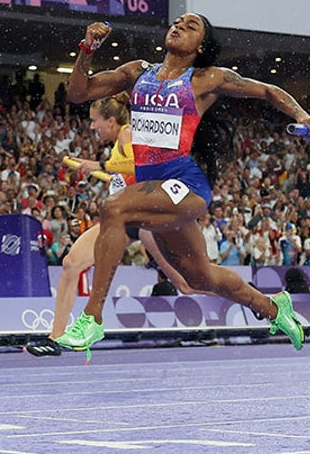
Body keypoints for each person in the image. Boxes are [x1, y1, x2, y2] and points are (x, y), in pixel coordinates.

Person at [52, 14, 310, 358]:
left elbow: (267, 90)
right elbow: (78, 93)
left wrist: (302, 116)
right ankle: (274, 308)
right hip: (154, 190)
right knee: (199, 277)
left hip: (185, 184)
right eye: (177, 22)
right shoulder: (137, 73)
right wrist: (87, 49)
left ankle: (92, 318)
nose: (178, 27)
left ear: (202, 46)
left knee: (113, 208)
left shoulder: (206, 79)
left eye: (190, 27)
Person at [24, 92, 195, 357]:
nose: (92, 126)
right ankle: (55, 337)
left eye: (95, 121)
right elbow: (125, 175)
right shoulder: (119, 141)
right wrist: (100, 172)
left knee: (185, 283)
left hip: (147, 219)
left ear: (112, 121)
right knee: (71, 264)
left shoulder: (127, 133)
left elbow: (138, 165)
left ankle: (253, 301)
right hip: (122, 221)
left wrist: (98, 164)